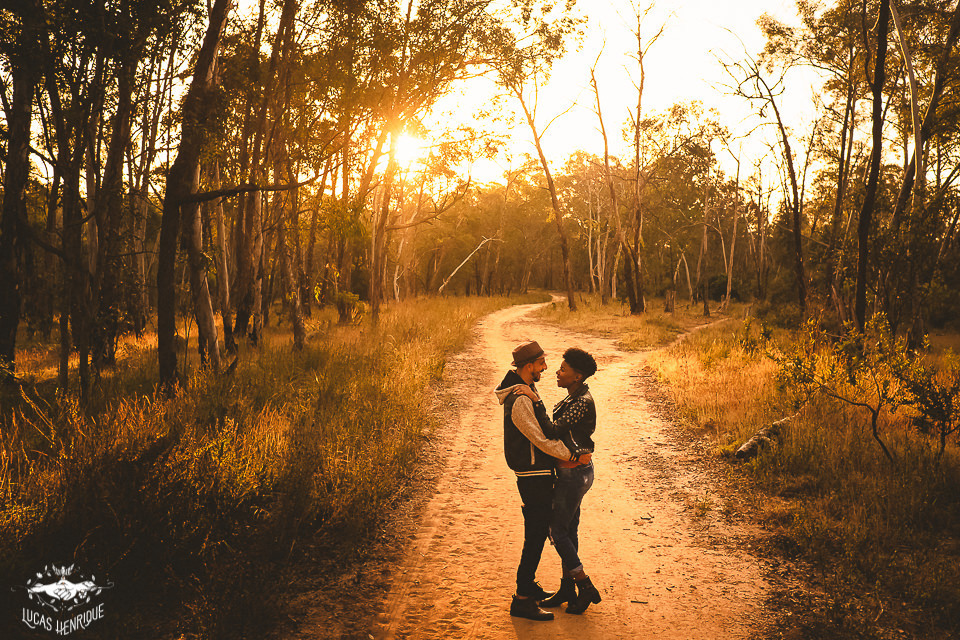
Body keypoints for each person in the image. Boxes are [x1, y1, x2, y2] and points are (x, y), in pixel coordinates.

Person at [494, 340, 586, 621]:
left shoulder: (528, 391)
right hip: (533, 477)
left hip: (538, 474)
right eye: (542, 363)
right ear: (528, 366)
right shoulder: (520, 399)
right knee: (535, 535)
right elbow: (540, 438)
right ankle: (522, 599)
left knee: (537, 531)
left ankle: (528, 588)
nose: (546, 368)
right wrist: (572, 454)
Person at [515, 347, 601, 614]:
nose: (557, 371)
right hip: (570, 471)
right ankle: (567, 590)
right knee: (569, 530)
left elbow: (552, 430)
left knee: (556, 530)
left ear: (577, 376)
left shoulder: (582, 402)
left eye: (563, 369)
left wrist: (534, 399)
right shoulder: (572, 397)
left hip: (575, 474)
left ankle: (583, 584)